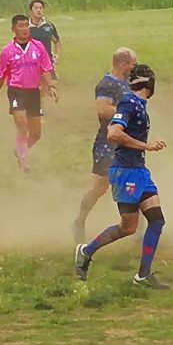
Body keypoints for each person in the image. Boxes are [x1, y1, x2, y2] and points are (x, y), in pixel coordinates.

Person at [75, 65, 169, 289]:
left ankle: (143, 276)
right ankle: (85, 251)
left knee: (156, 220)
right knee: (128, 228)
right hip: (125, 172)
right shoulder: (129, 103)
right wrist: (146, 145)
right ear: (149, 84)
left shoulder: (138, 105)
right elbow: (114, 132)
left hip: (138, 170)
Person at [71, 47, 137, 243]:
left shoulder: (126, 84)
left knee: (134, 182)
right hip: (108, 144)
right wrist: (127, 112)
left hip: (125, 143)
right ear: (123, 65)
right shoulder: (107, 85)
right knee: (100, 187)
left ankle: (138, 229)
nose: (135, 69)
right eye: (133, 65)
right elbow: (102, 110)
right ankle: (79, 222)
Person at [0, 14, 57, 173]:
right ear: (13, 29)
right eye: (20, 26)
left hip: (34, 92)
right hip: (16, 91)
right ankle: (24, 161)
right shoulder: (7, 51)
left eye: (26, 25)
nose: (24, 29)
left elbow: (46, 69)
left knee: (36, 134)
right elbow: (0, 76)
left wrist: (51, 86)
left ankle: (20, 150)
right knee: (22, 124)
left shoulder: (38, 47)